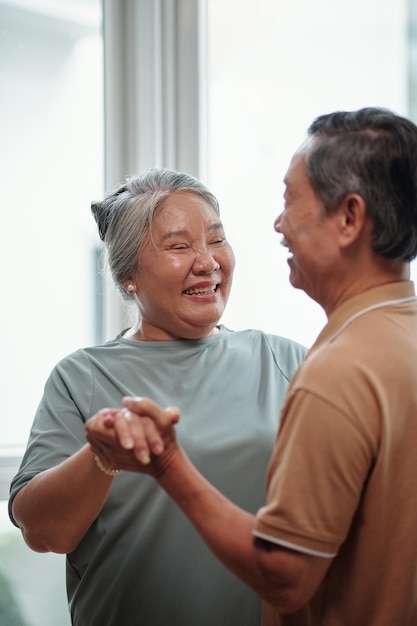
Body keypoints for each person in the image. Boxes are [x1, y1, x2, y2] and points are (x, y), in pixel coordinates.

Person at [85, 108, 417, 626]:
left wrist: (169, 465)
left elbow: (286, 575)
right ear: (128, 277)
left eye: (290, 199)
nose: (278, 223)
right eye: (179, 245)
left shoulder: (333, 371)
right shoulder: (400, 337)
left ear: (349, 218)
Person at [8, 168, 306, 626]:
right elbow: (44, 532)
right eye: (179, 246)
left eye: (217, 239)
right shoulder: (82, 375)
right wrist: (100, 457)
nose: (207, 262)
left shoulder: (284, 359)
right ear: (129, 276)